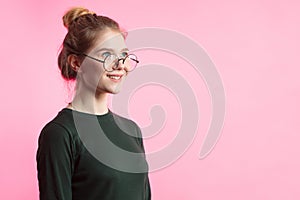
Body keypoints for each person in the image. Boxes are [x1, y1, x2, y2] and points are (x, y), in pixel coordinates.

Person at [36, 7, 151, 200]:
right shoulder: (60, 134)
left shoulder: (132, 130)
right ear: (76, 63)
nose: (120, 64)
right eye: (107, 55)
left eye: (123, 55)